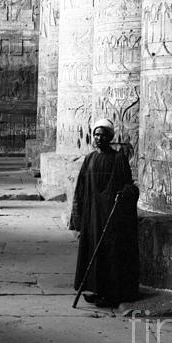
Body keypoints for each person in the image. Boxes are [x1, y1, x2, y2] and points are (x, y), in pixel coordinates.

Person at [69, 118, 139, 308]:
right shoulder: (90, 159)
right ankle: (97, 289)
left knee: (109, 253)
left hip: (111, 215)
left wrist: (124, 194)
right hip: (93, 214)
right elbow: (81, 188)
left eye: (103, 135)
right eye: (96, 134)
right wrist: (77, 217)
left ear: (110, 137)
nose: (99, 138)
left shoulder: (118, 159)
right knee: (93, 251)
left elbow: (129, 186)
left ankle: (110, 294)